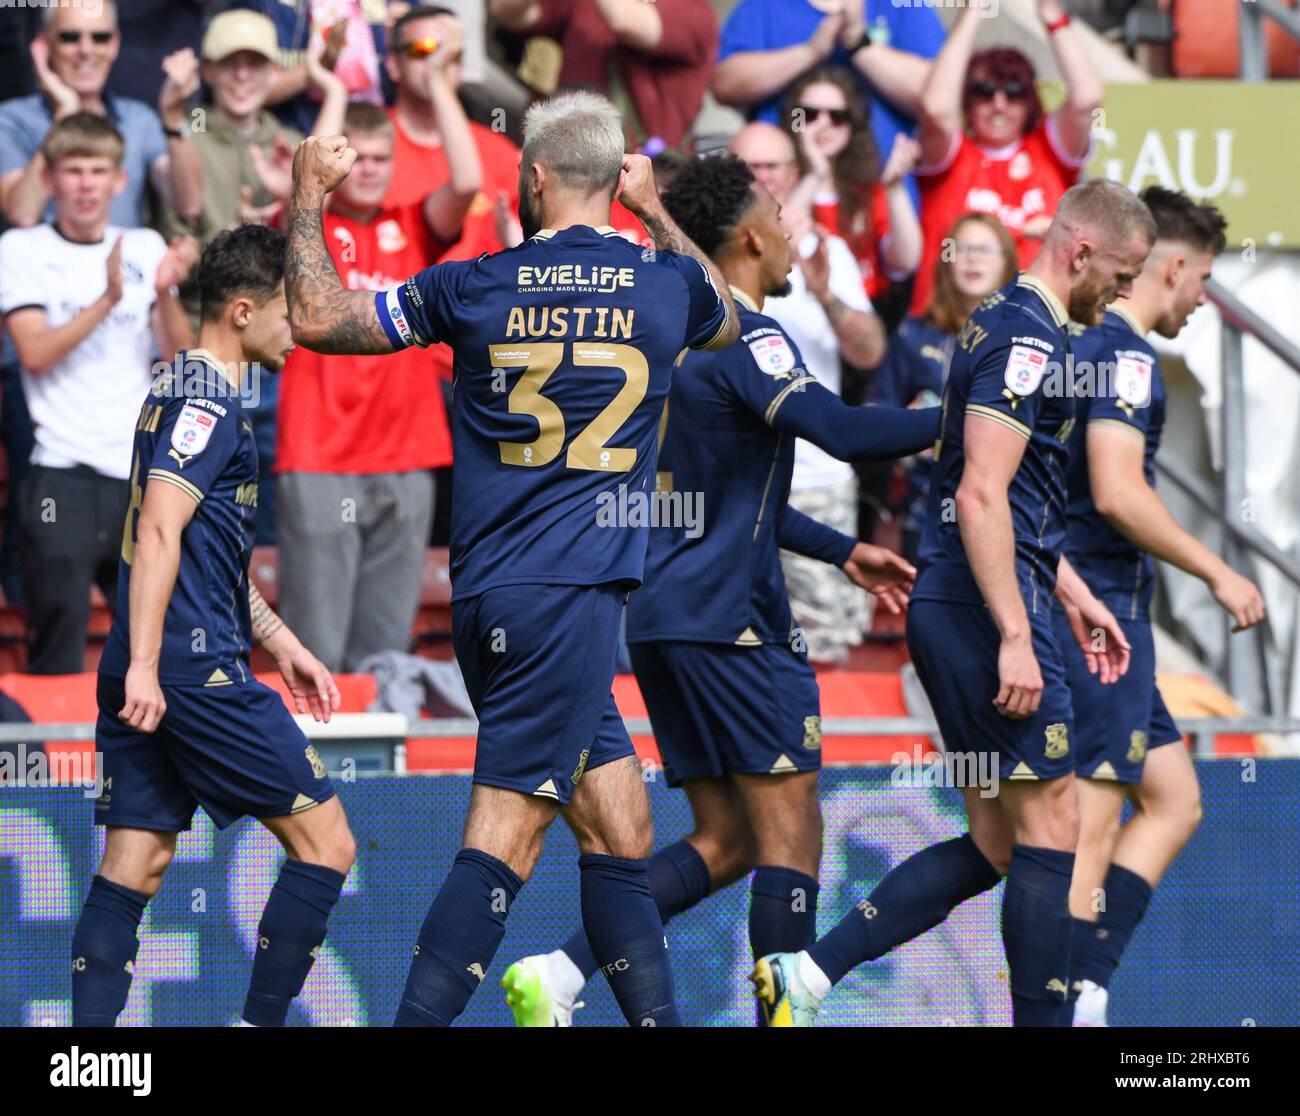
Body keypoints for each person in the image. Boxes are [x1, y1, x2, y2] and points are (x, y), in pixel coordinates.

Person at [284, 91, 739, 1026]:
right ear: (617, 179)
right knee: (508, 833)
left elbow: (316, 315)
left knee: (621, 826)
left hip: (497, 594)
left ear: (530, 179)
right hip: (565, 600)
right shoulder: (664, 285)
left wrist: (305, 196)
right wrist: (654, 208)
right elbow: (726, 317)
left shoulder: (474, 283)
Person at [498, 153, 936, 1027]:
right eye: (781, 210)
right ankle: (785, 1012)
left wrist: (841, 547)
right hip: (735, 620)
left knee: (725, 841)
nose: (792, 228)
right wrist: (972, 414)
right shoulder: (749, 334)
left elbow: (726, 490)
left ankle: (561, 971)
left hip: (661, 616)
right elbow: (845, 433)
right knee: (791, 838)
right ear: (748, 236)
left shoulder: (668, 336)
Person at [754, 178, 1155, 1027]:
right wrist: (1018, 629)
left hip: (966, 600)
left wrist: (1070, 593)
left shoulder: (1003, 320)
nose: (1123, 295)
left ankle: (809, 977)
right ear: (1081, 252)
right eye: (1121, 275)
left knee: (997, 842)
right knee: (1056, 820)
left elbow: (1015, 498)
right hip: (982, 611)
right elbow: (979, 495)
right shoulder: (1025, 335)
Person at [72, 224, 355, 1029]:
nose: (297, 332)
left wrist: (282, 640)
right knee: (327, 844)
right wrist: (151, 668)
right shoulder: (208, 405)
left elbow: (202, 552)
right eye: (287, 314)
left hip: (152, 660)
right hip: (189, 674)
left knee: (137, 861)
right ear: (240, 311)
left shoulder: (170, 388)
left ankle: (85, 1061)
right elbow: (159, 530)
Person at [1056, 187, 1265, 1027]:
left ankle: (1089, 987)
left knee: (1174, 799)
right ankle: (1065, 1005)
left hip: (1103, 610)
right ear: (1170, 266)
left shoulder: (1079, 341)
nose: (1202, 298)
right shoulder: (1127, 356)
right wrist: (1220, 572)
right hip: (1096, 616)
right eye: (1202, 279)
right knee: (1088, 828)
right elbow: (1116, 490)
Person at [275, 98, 479, 672]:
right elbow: (301, 183)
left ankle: (378, 765)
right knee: (317, 647)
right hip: (319, 456)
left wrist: (439, 80)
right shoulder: (305, 231)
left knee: (385, 653)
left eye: (380, 158)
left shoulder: (409, 224)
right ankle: (317, 763)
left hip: (408, 453)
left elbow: (465, 181)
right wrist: (331, 93)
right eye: (355, 157)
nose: (368, 168)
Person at [0, 114, 195, 675]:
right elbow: (34, 352)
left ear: (119, 180)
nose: (85, 185)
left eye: (98, 171)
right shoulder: (22, 247)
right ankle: (50, 758)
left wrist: (163, 294)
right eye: (73, 171)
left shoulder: (145, 242)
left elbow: (180, 360)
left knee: (157, 643)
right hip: (60, 471)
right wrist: (110, 298)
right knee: (59, 636)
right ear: (53, 179)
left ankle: (148, 761)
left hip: (139, 474)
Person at [729, 121, 886, 665]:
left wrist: (823, 293)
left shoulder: (827, 250)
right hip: (728, 486)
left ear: (792, 175)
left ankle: (809, 752)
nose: (760, 178)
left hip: (816, 479)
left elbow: (869, 353)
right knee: (732, 647)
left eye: (771, 167)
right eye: (747, 167)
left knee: (821, 651)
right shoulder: (702, 252)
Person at [910, 0, 1103, 315]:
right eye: (984, 91)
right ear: (967, 101)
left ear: (1030, 102)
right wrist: (972, 11)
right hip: (947, 330)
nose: (999, 104)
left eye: (1013, 91)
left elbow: (1087, 99)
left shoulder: (1048, 152)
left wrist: (1053, 19)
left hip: (1033, 330)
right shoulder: (951, 155)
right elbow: (934, 107)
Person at [384, 5, 523, 386]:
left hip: (490, 364)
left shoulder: (498, 151)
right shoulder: (368, 152)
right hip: (398, 364)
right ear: (392, 65)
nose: (438, 64)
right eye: (423, 50)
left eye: (451, 55)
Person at [871, 212, 1017, 563]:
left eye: (986, 249)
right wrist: (906, 438)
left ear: (1008, 263)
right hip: (926, 516)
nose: (972, 257)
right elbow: (873, 416)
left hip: (1008, 516)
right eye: (962, 248)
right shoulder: (913, 334)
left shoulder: (1027, 339)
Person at [713, 0, 943, 206]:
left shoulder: (905, 6)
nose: (825, 123)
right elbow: (724, 84)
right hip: (778, 205)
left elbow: (938, 98)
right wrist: (810, 52)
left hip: (880, 207)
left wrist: (858, 43)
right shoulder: (763, 6)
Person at [0, 0, 203, 229]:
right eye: (70, 37)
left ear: (115, 44)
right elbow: (21, 215)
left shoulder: (139, 119)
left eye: (100, 38)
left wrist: (174, 116)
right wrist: (65, 115)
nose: (86, 50)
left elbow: (189, 205)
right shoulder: (10, 119)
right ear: (44, 44)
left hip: (120, 263)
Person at [487, 0, 718, 149]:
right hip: (567, 160)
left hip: (641, 179)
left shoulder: (693, 10)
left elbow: (624, 21)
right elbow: (506, 11)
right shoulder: (586, 5)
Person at [780, 66, 921, 305]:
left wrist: (895, 188)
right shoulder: (775, 179)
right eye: (810, 114)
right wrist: (815, 174)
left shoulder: (868, 191)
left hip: (862, 318)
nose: (823, 124)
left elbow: (906, 261)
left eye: (837, 116)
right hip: (796, 313)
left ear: (852, 125)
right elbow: (778, 245)